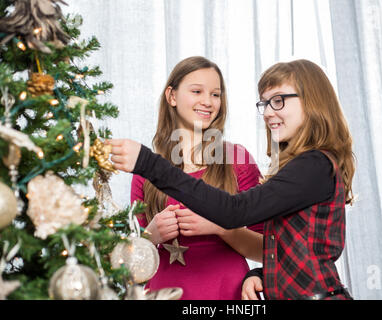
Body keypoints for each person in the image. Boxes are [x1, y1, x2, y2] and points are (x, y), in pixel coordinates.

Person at [109, 59, 355, 300]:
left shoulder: (312, 165)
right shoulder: (303, 167)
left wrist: (147, 162)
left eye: (278, 101)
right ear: (171, 96)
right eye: (265, 103)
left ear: (312, 101)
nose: (268, 113)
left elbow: (236, 212)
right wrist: (259, 274)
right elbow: (285, 250)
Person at [130, 56, 264, 300]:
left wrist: (223, 228)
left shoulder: (238, 160)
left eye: (215, 94)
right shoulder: (148, 169)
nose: (208, 102)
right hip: (164, 293)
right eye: (197, 91)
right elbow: (131, 264)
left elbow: (267, 250)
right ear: (172, 96)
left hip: (228, 292)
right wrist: (150, 235)